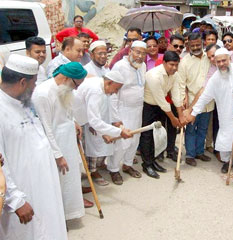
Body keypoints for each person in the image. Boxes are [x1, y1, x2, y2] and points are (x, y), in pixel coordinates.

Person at [0, 54, 67, 239]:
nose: (35, 87)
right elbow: (0, 164)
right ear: (22, 82)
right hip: (23, 194)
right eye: (34, 82)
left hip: (44, 187)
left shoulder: (24, 102)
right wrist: (16, 201)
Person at [32, 62, 90, 220]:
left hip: (68, 141)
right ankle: (58, 218)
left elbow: (66, 112)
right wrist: (58, 155)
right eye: (76, 85)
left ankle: (70, 213)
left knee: (70, 179)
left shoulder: (64, 88)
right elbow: (46, 127)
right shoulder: (43, 93)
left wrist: (74, 123)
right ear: (66, 77)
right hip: (55, 144)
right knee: (58, 182)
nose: (76, 89)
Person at [184, 48, 233, 172]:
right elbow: (204, 97)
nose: (221, 64)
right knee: (225, 136)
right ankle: (226, 161)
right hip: (225, 113)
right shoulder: (215, 78)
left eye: (224, 61)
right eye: (218, 62)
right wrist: (193, 113)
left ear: (230, 59)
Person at [73, 71, 134, 183]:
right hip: (72, 121)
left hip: (79, 121)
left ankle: (78, 186)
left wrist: (104, 134)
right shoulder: (96, 91)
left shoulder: (99, 85)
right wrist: (120, 132)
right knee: (74, 158)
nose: (115, 93)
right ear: (109, 83)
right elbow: (95, 120)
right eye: (116, 89)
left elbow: (94, 117)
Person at [140, 51, 185, 179]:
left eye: (177, 65)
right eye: (171, 64)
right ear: (164, 62)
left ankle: (153, 161)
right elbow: (161, 100)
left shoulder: (174, 74)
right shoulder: (154, 76)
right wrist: (173, 119)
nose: (174, 68)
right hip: (149, 106)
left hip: (161, 107)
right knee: (147, 136)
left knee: (157, 135)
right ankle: (146, 164)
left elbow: (176, 95)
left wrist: (180, 116)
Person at [108, 41, 147, 185]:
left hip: (138, 108)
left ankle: (127, 164)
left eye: (143, 53)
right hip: (123, 109)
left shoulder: (142, 66)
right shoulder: (120, 66)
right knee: (121, 142)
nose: (140, 56)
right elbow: (112, 94)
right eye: (137, 52)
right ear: (130, 51)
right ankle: (113, 169)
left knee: (135, 139)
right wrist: (115, 118)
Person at [178, 32, 212, 167]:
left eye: (198, 44)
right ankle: (190, 154)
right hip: (192, 101)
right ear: (188, 45)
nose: (196, 47)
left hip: (208, 101)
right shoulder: (184, 62)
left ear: (202, 43)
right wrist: (184, 100)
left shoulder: (209, 57)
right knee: (191, 129)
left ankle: (199, 151)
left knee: (203, 128)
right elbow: (181, 84)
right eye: (193, 45)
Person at [83, 40, 111, 185]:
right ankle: (92, 171)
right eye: (99, 53)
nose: (103, 56)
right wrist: (91, 121)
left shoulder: (106, 70)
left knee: (103, 141)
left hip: (104, 111)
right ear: (91, 54)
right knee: (93, 143)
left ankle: (100, 164)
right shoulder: (86, 70)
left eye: (105, 53)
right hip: (91, 114)